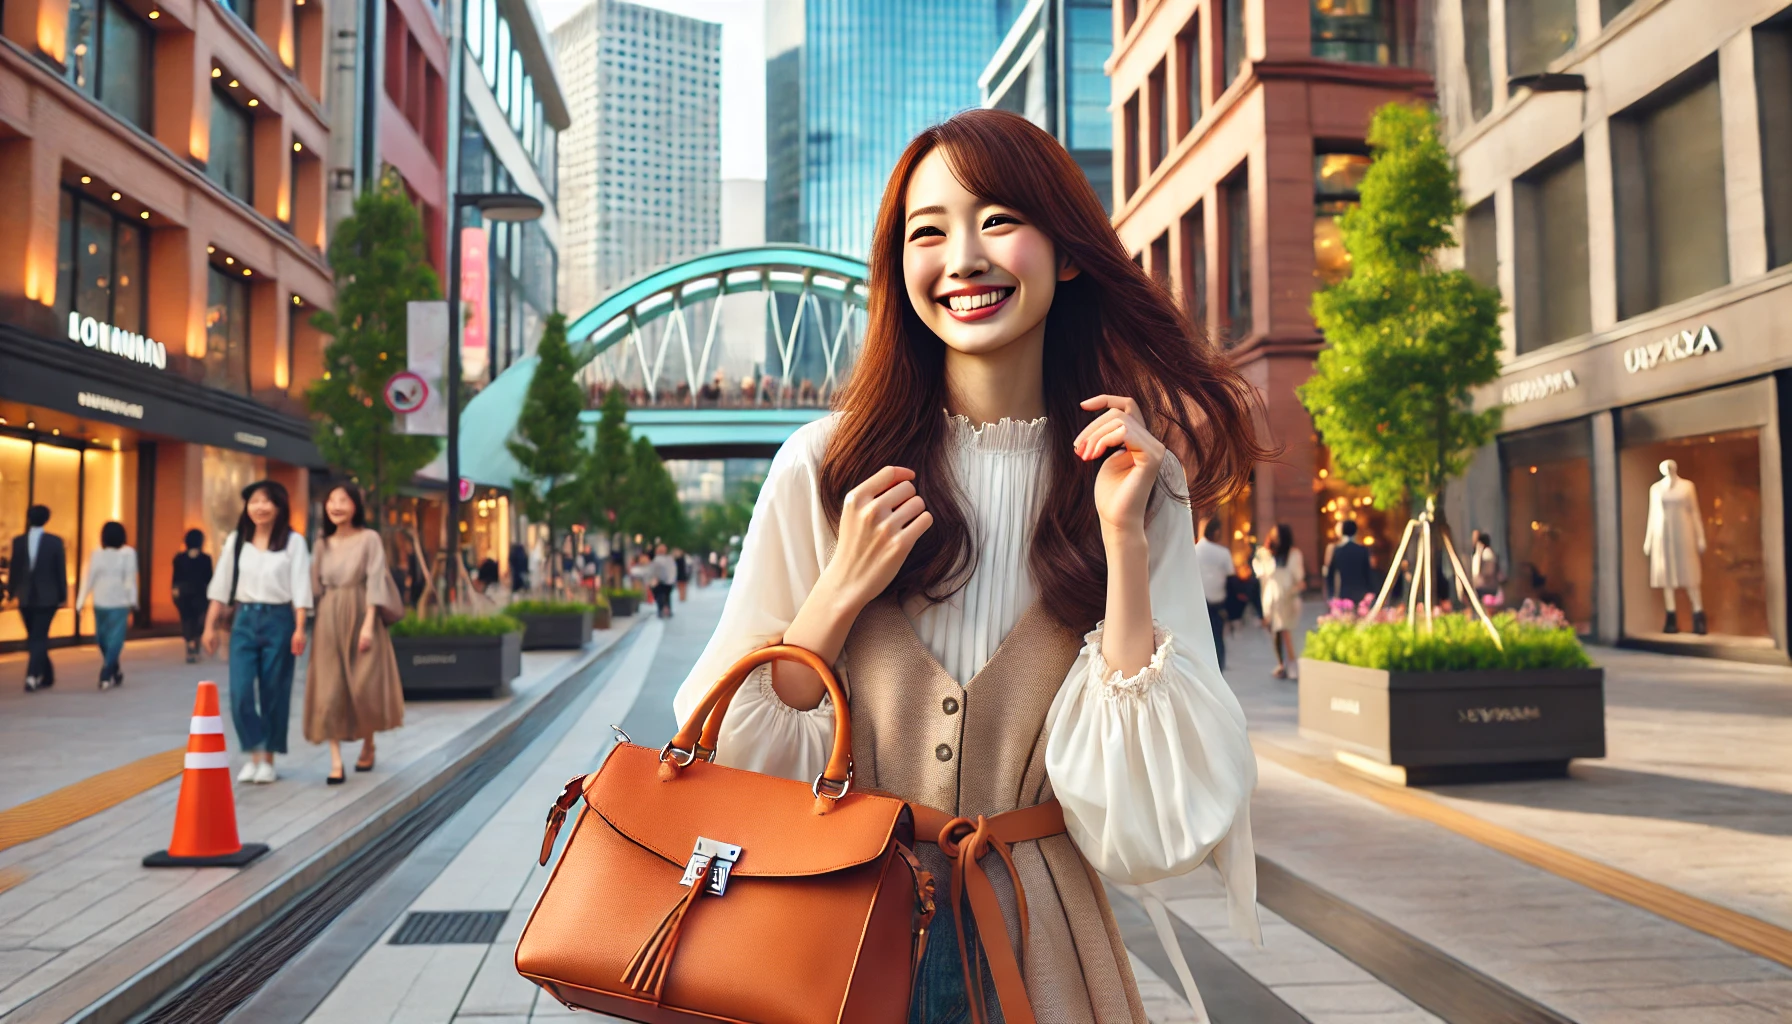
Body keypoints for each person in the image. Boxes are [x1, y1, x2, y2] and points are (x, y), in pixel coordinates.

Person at [670, 110, 1264, 1020]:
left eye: (997, 221)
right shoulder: (825, 467)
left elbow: (1149, 810)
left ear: (1067, 253)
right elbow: (726, 750)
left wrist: (1127, 545)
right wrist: (839, 590)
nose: (963, 258)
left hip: (1042, 942)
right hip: (836, 935)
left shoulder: (1135, 477)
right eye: (928, 232)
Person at [203, 480, 311, 785]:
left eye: (266, 502)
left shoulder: (293, 542)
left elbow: (301, 587)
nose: (260, 507)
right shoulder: (238, 540)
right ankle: (254, 750)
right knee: (239, 692)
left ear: (279, 506)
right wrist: (209, 626)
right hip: (244, 621)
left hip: (279, 620)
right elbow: (221, 586)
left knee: (274, 691)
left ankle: (267, 760)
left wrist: (300, 628)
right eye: (254, 501)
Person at [304, 484, 404, 785]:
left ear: (355, 505)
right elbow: (314, 586)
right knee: (329, 689)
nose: (335, 506)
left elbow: (375, 578)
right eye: (331, 500)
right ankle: (335, 762)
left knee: (365, 686)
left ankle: (368, 743)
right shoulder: (322, 543)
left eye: (343, 500)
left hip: (363, 612)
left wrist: (368, 623)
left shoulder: (369, 539)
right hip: (328, 618)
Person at [8, 505, 67, 692]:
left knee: (37, 637)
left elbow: (14, 571)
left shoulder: (20, 541)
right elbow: (61, 571)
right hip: (43, 596)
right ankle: (47, 675)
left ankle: (32, 676)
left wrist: (11, 592)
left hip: (31, 597)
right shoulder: (54, 542)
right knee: (37, 637)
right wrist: (63, 595)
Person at [75, 521, 138, 689]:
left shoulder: (128, 554)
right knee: (102, 639)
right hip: (102, 602)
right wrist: (80, 601)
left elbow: (129, 578)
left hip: (118, 602)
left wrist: (132, 600)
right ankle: (114, 668)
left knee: (114, 639)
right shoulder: (97, 555)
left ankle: (106, 671)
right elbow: (89, 579)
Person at [1252, 523, 1305, 680]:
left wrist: (1294, 590)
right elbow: (1261, 574)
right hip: (1271, 597)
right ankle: (1283, 664)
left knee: (1285, 630)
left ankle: (1292, 664)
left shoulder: (1294, 554)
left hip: (1288, 597)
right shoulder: (1265, 554)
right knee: (1275, 631)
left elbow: (1299, 577)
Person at [1194, 517, 1234, 671]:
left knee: (1200, 639)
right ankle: (1218, 671)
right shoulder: (1223, 553)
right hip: (1217, 602)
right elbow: (1231, 577)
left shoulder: (1194, 551)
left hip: (1198, 602)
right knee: (1217, 639)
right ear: (1216, 531)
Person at [172, 530, 213, 663]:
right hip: (198, 593)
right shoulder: (205, 559)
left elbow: (176, 577)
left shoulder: (180, 558)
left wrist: (175, 590)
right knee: (196, 619)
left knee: (189, 619)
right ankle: (193, 645)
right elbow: (209, 578)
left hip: (187, 593)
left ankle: (191, 644)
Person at [1323, 519, 1375, 606]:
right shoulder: (1362, 550)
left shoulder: (1337, 551)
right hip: (1361, 591)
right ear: (1356, 531)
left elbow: (1330, 575)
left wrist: (1331, 594)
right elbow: (1368, 572)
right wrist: (1371, 590)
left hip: (1343, 592)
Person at [1471, 529, 1505, 604]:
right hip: (1481, 587)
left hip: (1485, 588)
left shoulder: (1487, 553)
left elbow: (1488, 571)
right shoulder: (1479, 553)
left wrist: (1482, 582)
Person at [649, 543, 677, 618]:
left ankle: (661, 610)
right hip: (669, 581)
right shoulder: (669, 559)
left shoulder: (657, 560)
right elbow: (673, 570)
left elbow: (654, 571)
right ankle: (667, 609)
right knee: (667, 596)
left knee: (660, 596)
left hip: (661, 581)